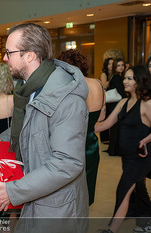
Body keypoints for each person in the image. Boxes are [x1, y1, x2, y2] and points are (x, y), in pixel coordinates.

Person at [0, 23, 89, 233]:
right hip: (36, 196)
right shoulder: (31, 88)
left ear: (30, 56)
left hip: (57, 209)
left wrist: (14, 191)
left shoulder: (64, 98)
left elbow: (67, 162)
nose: (4, 58)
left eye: (9, 52)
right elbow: (32, 127)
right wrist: (4, 139)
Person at [95, 65, 151, 233]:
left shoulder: (147, 103)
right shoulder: (124, 102)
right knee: (139, 190)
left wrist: (147, 138)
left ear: (139, 81)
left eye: (129, 78)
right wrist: (88, 125)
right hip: (127, 157)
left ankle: (111, 230)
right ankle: (145, 223)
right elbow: (105, 124)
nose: (124, 81)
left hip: (140, 158)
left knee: (124, 189)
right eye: (125, 78)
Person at [57, 49, 105, 206]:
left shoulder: (70, 86)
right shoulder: (97, 84)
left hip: (71, 143)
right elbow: (102, 117)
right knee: (87, 188)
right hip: (91, 143)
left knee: (69, 192)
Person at [106, 58, 127, 156]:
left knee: (115, 127)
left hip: (114, 104)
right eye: (118, 65)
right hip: (116, 104)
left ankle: (113, 149)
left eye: (122, 65)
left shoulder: (115, 76)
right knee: (116, 127)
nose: (121, 67)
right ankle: (115, 150)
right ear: (115, 67)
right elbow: (120, 92)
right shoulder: (117, 77)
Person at [100, 57, 115, 143]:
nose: (111, 65)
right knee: (105, 117)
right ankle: (104, 139)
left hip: (111, 99)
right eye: (109, 63)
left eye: (113, 63)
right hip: (106, 98)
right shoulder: (104, 74)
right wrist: (111, 79)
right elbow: (104, 86)